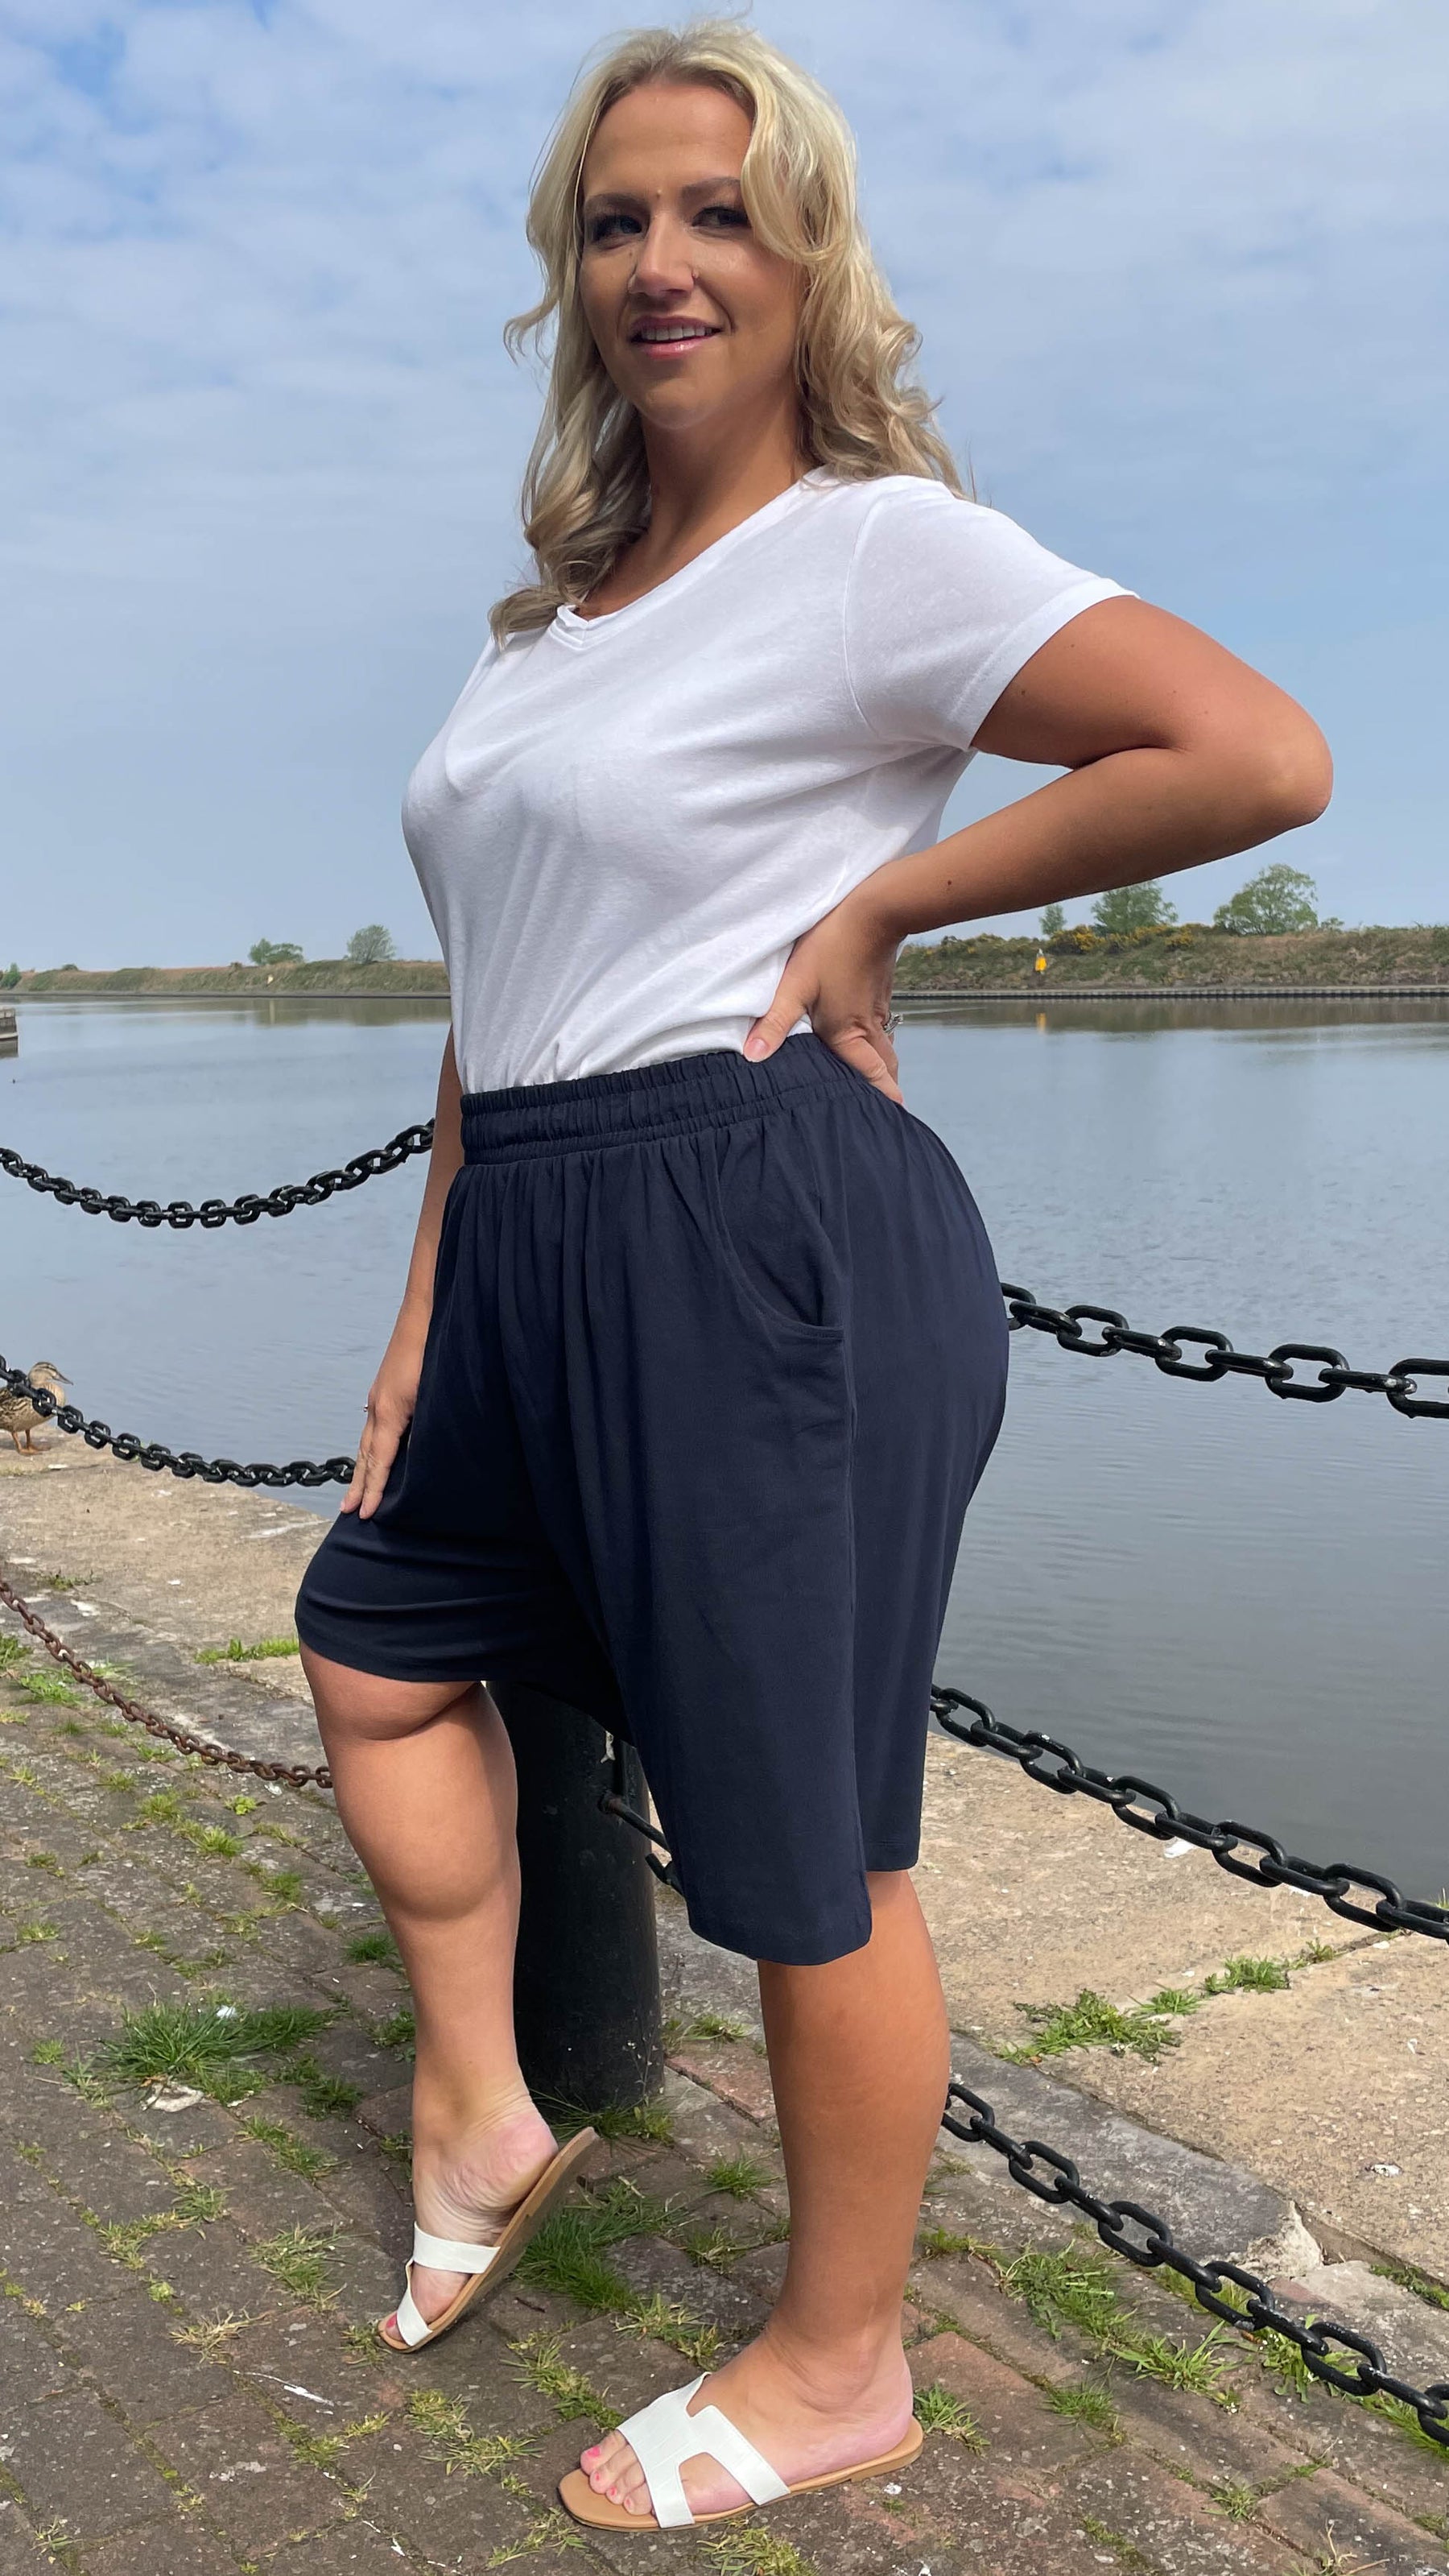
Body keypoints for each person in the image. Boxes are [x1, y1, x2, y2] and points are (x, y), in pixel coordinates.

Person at [295, 18, 1331, 2538]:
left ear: (809, 257)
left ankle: (848, 2360)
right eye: (617, 220)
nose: (664, 262)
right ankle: (483, 2105)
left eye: (720, 212)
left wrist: (886, 903)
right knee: (376, 1642)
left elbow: (1249, 752)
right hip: (533, 1214)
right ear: (571, 273)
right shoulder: (550, 623)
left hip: (749, 1221)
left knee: (800, 1846)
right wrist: (427, 1309)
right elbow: (495, 993)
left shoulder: (877, 549)